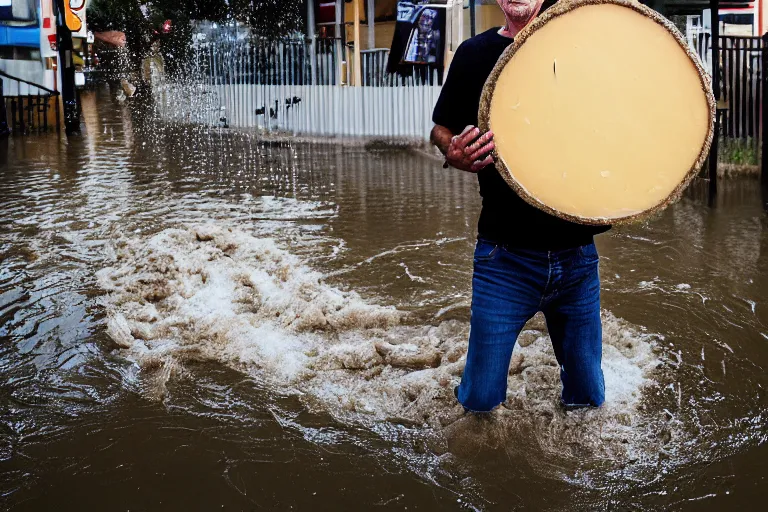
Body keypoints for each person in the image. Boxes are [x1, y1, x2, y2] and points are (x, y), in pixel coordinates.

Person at [430, 0, 611, 413]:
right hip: (504, 259)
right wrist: (451, 151)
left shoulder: (578, 48)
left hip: (577, 257)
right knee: (479, 402)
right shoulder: (474, 55)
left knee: (588, 400)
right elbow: (441, 127)